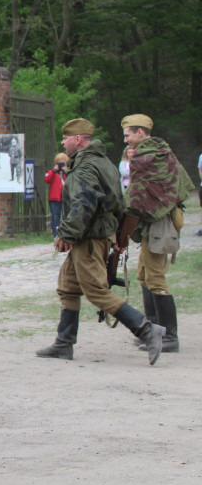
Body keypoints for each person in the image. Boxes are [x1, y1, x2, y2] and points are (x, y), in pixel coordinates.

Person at [36, 118, 165, 365]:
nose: (62, 142)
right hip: (95, 235)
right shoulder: (103, 162)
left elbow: (83, 205)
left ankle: (148, 331)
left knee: (96, 291)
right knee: (68, 287)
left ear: (77, 139)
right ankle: (64, 344)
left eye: (65, 138)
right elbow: (118, 200)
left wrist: (66, 233)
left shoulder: (86, 167)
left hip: (89, 237)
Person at [122, 114, 194, 354]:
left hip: (159, 223)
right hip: (152, 223)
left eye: (128, 134)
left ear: (141, 133)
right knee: (143, 275)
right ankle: (153, 330)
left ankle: (169, 336)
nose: (126, 140)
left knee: (155, 278)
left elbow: (138, 194)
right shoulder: (163, 152)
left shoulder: (147, 156)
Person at [43, 152, 68, 237]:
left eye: (63, 162)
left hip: (65, 198)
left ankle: (66, 234)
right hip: (54, 199)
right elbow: (47, 180)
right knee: (55, 217)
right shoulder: (52, 172)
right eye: (59, 162)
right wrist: (54, 171)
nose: (61, 164)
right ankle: (56, 235)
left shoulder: (67, 172)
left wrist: (66, 170)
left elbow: (70, 181)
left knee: (66, 217)